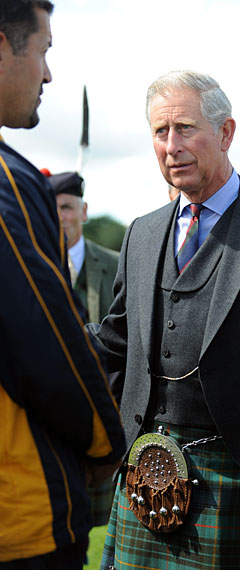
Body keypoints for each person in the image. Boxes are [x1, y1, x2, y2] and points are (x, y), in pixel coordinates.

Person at [87, 70, 240, 570]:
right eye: (160, 133)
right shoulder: (141, 234)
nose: (171, 146)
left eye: (185, 128)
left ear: (226, 133)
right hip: (144, 472)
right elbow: (114, 341)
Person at [0, 2, 125, 570]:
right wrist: (105, 441)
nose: (47, 73)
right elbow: (47, 344)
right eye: (44, 50)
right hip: (18, 514)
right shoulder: (8, 184)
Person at [43, 169, 121, 527]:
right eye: (53, 207)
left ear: (84, 210)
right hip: (44, 417)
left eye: (67, 207)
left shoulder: (117, 264)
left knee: (98, 526)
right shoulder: (29, 262)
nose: (61, 217)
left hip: (102, 414)